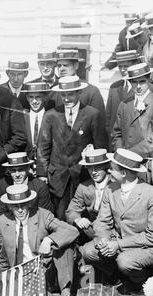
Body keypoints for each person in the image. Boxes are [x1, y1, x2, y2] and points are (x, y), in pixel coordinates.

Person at [80, 149, 153, 293]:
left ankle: (143, 279)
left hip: (145, 247)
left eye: (111, 169)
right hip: (116, 243)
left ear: (124, 173)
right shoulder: (111, 189)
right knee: (88, 251)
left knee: (125, 262)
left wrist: (117, 244)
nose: (108, 172)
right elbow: (102, 222)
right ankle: (119, 276)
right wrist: (103, 239)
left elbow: (151, 237)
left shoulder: (149, 193)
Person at [37, 76, 108, 221]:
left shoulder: (92, 114)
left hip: (82, 176)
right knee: (60, 216)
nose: (66, 98)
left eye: (70, 94)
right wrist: (42, 174)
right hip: (57, 177)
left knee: (83, 216)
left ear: (79, 92)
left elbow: (101, 146)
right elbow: (43, 146)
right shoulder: (51, 115)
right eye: (63, 94)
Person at [0, 184, 78, 296]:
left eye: (23, 205)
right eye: (15, 206)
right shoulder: (1, 222)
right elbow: (3, 254)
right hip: (20, 272)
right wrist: (2, 276)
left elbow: (71, 231)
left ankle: (65, 290)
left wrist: (49, 239)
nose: (20, 210)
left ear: (29, 203)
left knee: (65, 244)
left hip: (43, 268)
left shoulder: (42, 215)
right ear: (9, 206)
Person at [65, 148, 112, 243]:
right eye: (90, 168)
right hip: (90, 230)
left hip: (111, 231)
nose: (93, 172)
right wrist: (78, 219)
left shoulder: (114, 185)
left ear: (106, 166)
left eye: (97, 167)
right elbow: (71, 211)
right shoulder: (84, 186)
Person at [111, 63, 153, 159]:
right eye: (134, 82)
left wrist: (131, 154)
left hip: (148, 161)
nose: (138, 86)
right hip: (126, 162)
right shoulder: (124, 104)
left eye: (142, 82)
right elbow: (116, 133)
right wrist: (121, 152)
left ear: (149, 80)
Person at [50, 49, 106, 119]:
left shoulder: (91, 91)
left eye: (65, 65)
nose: (61, 69)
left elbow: (99, 121)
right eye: (59, 66)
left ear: (76, 66)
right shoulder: (54, 91)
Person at [105, 50, 143, 142]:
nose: (122, 70)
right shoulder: (114, 87)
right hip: (116, 143)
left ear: (135, 64)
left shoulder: (144, 88)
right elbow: (108, 119)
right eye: (119, 66)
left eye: (126, 66)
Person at [20, 82, 50, 160]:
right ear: (26, 97)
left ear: (45, 97)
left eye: (38, 97)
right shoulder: (22, 117)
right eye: (31, 97)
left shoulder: (51, 117)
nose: (34, 101)